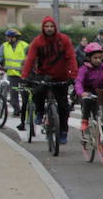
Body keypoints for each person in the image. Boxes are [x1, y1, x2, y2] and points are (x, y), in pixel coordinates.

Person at [21, 16, 78, 145]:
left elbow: (71, 58)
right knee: (38, 93)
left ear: (55, 27)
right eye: (46, 27)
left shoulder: (64, 40)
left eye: (51, 26)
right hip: (43, 75)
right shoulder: (37, 42)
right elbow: (30, 59)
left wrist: (73, 75)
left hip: (61, 76)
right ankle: (40, 112)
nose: (49, 29)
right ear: (43, 28)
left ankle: (63, 131)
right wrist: (25, 76)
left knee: (64, 107)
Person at [74, 42, 103, 135]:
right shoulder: (84, 69)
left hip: (100, 91)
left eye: (100, 58)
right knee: (88, 102)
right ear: (89, 58)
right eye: (95, 58)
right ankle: (85, 120)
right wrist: (81, 92)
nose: (98, 60)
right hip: (87, 92)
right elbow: (79, 82)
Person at [0, 28, 30, 129]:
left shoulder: (24, 45)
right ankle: (17, 110)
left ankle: (26, 112)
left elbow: (30, 56)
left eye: (10, 37)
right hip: (12, 74)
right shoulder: (4, 46)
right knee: (13, 93)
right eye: (7, 37)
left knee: (25, 94)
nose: (8, 39)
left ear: (15, 38)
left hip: (24, 74)